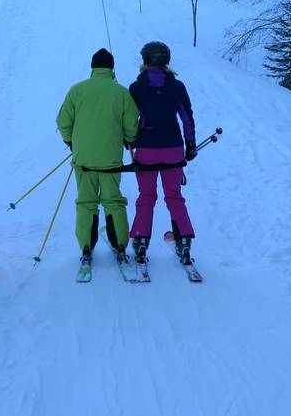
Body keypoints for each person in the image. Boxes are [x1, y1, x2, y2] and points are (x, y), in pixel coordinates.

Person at [57, 48, 139, 268]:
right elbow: (132, 125)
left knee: (86, 202)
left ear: (93, 67)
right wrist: (129, 139)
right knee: (113, 201)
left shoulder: (77, 90)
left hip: (83, 160)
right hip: (111, 161)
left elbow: (63, 123)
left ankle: (86, 247)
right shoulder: (121, 92)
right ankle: (120, 245)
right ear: (111, 68)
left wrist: (71, 142)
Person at [128, 41, 197, 265]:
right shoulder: (177, 86)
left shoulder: (136, 87)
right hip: (173, 150)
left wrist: (129, 140)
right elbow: (186, 116)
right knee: (174, 196)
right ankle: (183, 241)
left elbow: (130, 119)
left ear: (145, 60)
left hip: (146, 149)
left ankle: (140, 241)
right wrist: (190, 144)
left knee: (146, 196)